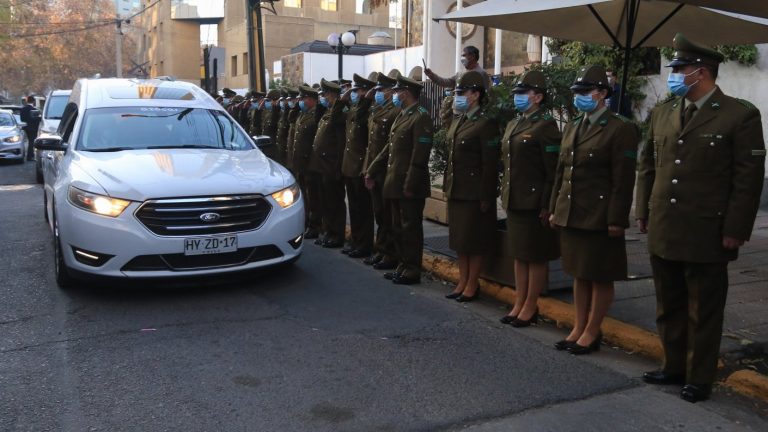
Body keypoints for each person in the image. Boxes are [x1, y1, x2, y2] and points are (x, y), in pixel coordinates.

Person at [636, 33, 766, 403]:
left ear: (702, 72)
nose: (674, 75)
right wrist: (643, 211)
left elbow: (747, 179)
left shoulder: (738, 115)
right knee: (668, 304)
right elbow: (649, 166)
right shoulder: (663, 112)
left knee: (703, 310)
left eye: (680, 69)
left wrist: (736, 230)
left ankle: (699, 376)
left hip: (707, 230)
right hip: (664, 225)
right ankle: (673, 365)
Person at [549, 65, 639, 355]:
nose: (579, 98)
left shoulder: (619, 128)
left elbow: (623, 179)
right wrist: (555, 208)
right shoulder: (575, 125)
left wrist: (616, 218)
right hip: (573, 211)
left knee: (600, 274)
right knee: (579, 272)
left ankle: (592, 330)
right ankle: (578, 325)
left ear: (601, 93)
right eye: (577, 93)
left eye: (584, 93)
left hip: (599, 214)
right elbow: (561, 172)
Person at [498, 71, 561, 326]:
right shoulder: (515, 123)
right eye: (517, 94)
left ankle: (530, 305)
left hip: (534, 201)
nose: (518, 98)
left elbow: (552, 169)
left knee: (535, 255)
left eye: (523, 94)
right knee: (519, 253)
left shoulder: (546, 126)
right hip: (514, 198)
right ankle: (519, 302)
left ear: (538, 97)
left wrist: (547, 204)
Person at [365, 75, 433, 285]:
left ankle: (412, 270)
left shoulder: (421, 117)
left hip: (409, 184)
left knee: (410, 228)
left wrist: (410, 185)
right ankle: (402, 265)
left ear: (406, 93)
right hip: (395, 182)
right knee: (398, 227)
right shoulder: (402, 115)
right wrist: (372, 169)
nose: (394, 95)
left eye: (397, 91)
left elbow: (419, 154)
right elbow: (389, 148)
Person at [442, 71, 500, 302]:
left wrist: (486, 195)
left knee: (473, 241)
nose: (457, 97)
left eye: (461, 93)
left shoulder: (485, 123)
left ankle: (472, 283)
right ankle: (463, 281)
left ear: (475, 95)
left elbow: (490, 163)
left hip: (474, 192)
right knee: (460, 241)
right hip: (457, 189)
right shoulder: (460, 120)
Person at [362, 70, 401, 269]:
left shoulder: (394, 112)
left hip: (385, 170)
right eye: (376, 89)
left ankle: (389, 253)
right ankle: (381, 249)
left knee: (387, 215)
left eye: (381, 89)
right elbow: (371, 144)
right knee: (379, 213)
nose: (377, 93)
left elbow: (388, 146)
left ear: (389, 91)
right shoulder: (377, 110)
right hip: (374, 169)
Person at [341, 73, 376, 258]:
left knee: (363, 210)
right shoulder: (354, 109)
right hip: (349, 166)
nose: (353, 94)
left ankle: (364, 244)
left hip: (360, 167)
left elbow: (362, 119)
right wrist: (345, 97)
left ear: (366, 92)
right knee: (354, 209)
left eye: (357, 91)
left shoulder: (367, 110)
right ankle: (356, 241)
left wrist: (365, 99)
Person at [309, 79, 347, 248]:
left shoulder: (339, 112)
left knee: (335, 203)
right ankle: (328, 231)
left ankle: (336, 234)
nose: (322, 97)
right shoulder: (327, 111)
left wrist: (340, 101)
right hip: (322, 165)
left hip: (332, 165)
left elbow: (340, 142)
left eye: (325, 94)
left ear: (332, 95)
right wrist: (321, 105)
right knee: (326, 202)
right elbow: (318, 119)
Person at [290, 85, 324, 240]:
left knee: (314, 197)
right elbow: (291, 119)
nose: (300, 102)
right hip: (300, 164)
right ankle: (306, 222)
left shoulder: (316, 115)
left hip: (310, 163)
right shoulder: (302, 115)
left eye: (303, 99)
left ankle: (315, 225)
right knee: (303, 196)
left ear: (311, 100)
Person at [424, 46, 490, 90]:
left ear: (472, 56)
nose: (462, 58)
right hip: (459, 109)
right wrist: (432, 76)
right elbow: (446, 82)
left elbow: (487, 93)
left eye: (464, 55)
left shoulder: (482, 74)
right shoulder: (460, 73)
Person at [20, 95, 41, 161]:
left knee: (27, 141)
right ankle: (30, 156)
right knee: (31, 142)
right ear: (33, 101)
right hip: (33, 128)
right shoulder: (35, 110)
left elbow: (22, 119)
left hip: (25, 127)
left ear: (27, 101)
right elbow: (37, 120)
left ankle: (28, 155)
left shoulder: (23, 109)